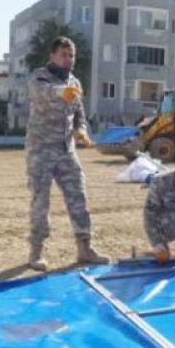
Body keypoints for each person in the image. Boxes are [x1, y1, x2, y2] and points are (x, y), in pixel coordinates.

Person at [25, 36, 110, 270]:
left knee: (78, 195)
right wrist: (62, 91)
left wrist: (81, 131)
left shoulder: (76, 83)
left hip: (66, 150)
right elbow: (44, 92)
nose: (68, 59)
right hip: (41, 150)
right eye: (63, 55)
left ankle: (85, 248)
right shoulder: (39, 76)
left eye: (71, 55)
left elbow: (79, 114)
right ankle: (36, 251)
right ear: (52, 56)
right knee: (40, 199)